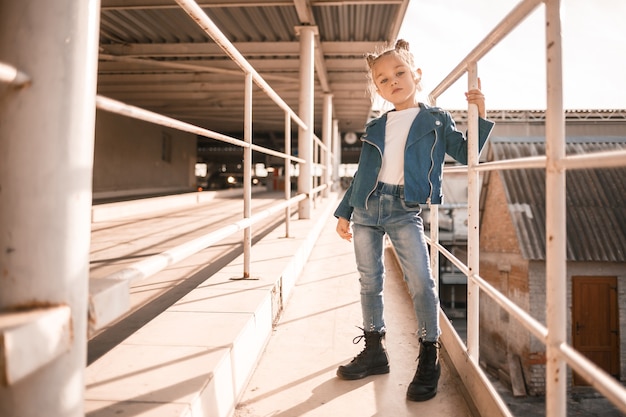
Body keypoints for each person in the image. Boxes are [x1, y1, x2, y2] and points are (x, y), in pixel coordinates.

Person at [333, 39, 494, 402]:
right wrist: (344, 211)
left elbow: (465, 151)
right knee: (368, 281)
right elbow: (362, 173)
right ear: (377, 89)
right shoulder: (377, 125)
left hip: (404, 209)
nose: (393, 82)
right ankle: (375, 350)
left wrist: (480, 115)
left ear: (416, 74)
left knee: (420, 281)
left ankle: (428, 356)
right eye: (383, 80)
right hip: (366, 209)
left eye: (399, 73)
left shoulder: (435, 118)